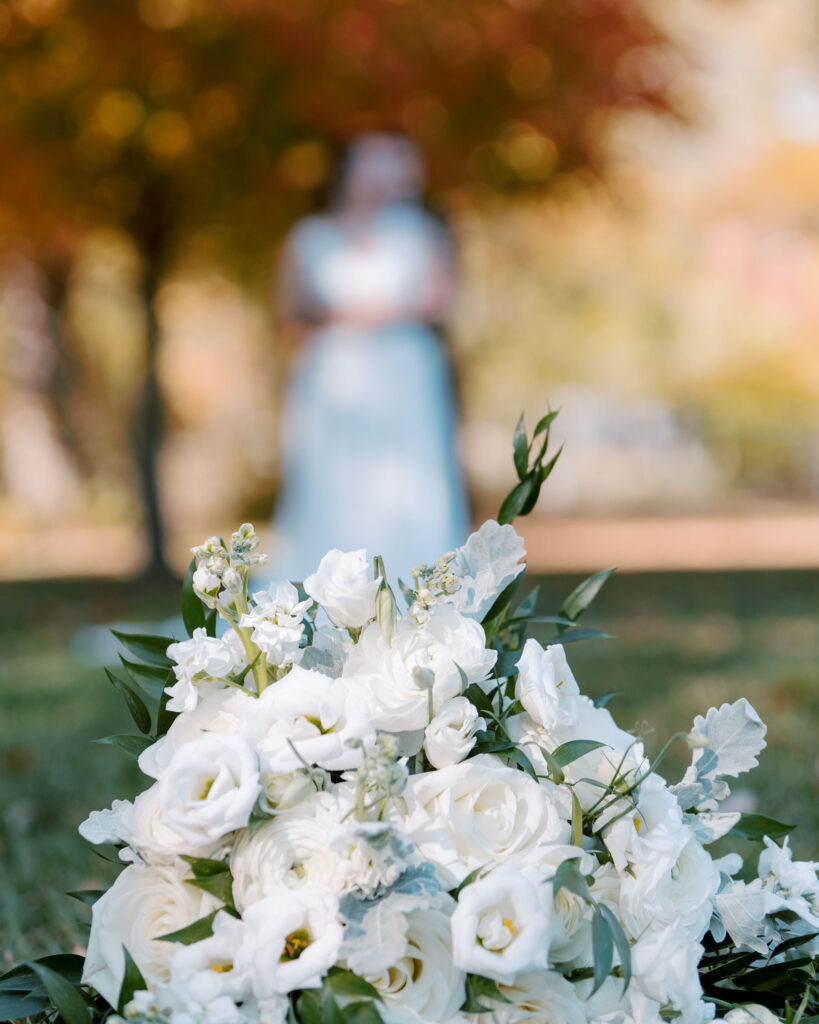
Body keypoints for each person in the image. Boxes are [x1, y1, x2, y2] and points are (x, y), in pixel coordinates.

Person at [269, 133, 470, 584]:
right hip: (333, 376)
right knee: (330, 483)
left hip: (405, 374)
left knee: (412, 483)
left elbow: (439, 300)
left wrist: (363, 319)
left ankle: (419, 588)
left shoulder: (420, 232)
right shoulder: (309, 236)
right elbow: (289, 312)